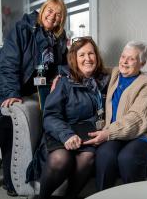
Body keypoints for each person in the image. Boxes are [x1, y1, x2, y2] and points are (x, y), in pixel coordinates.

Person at [0, 0, 68, 196]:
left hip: (20, 87)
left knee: (10, 127)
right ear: (42, 10)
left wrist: (60, 76)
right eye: (50, 10)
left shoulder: (58, 39)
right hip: (0, 83)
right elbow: (9, 62)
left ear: (62, 19)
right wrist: (11, 93)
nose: (53, 16)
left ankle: (8, 178)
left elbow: (59, 64)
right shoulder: (23, 28)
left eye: (58, 14)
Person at [83, 41, 147, 190]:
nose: (124, 62)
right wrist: (62, 75)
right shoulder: (115, 73)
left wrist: (107, 133)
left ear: (142, 63)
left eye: (131, 59)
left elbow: (136, 119)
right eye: (123, 56)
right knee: (105, 155)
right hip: (116, 135)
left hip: (143, 136)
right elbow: (89, 69)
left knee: (128, 158)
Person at [38, 37, 109, 199]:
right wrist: (67, 135)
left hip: (88, 134)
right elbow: (50, 116)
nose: (87, 59)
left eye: (91, 54)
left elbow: (124, 70)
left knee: (88, 157)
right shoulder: (64, 82)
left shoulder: (105, 81)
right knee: (60, 159)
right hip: (62, 131)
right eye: (82, 55)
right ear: (74, 60)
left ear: (97, 57)